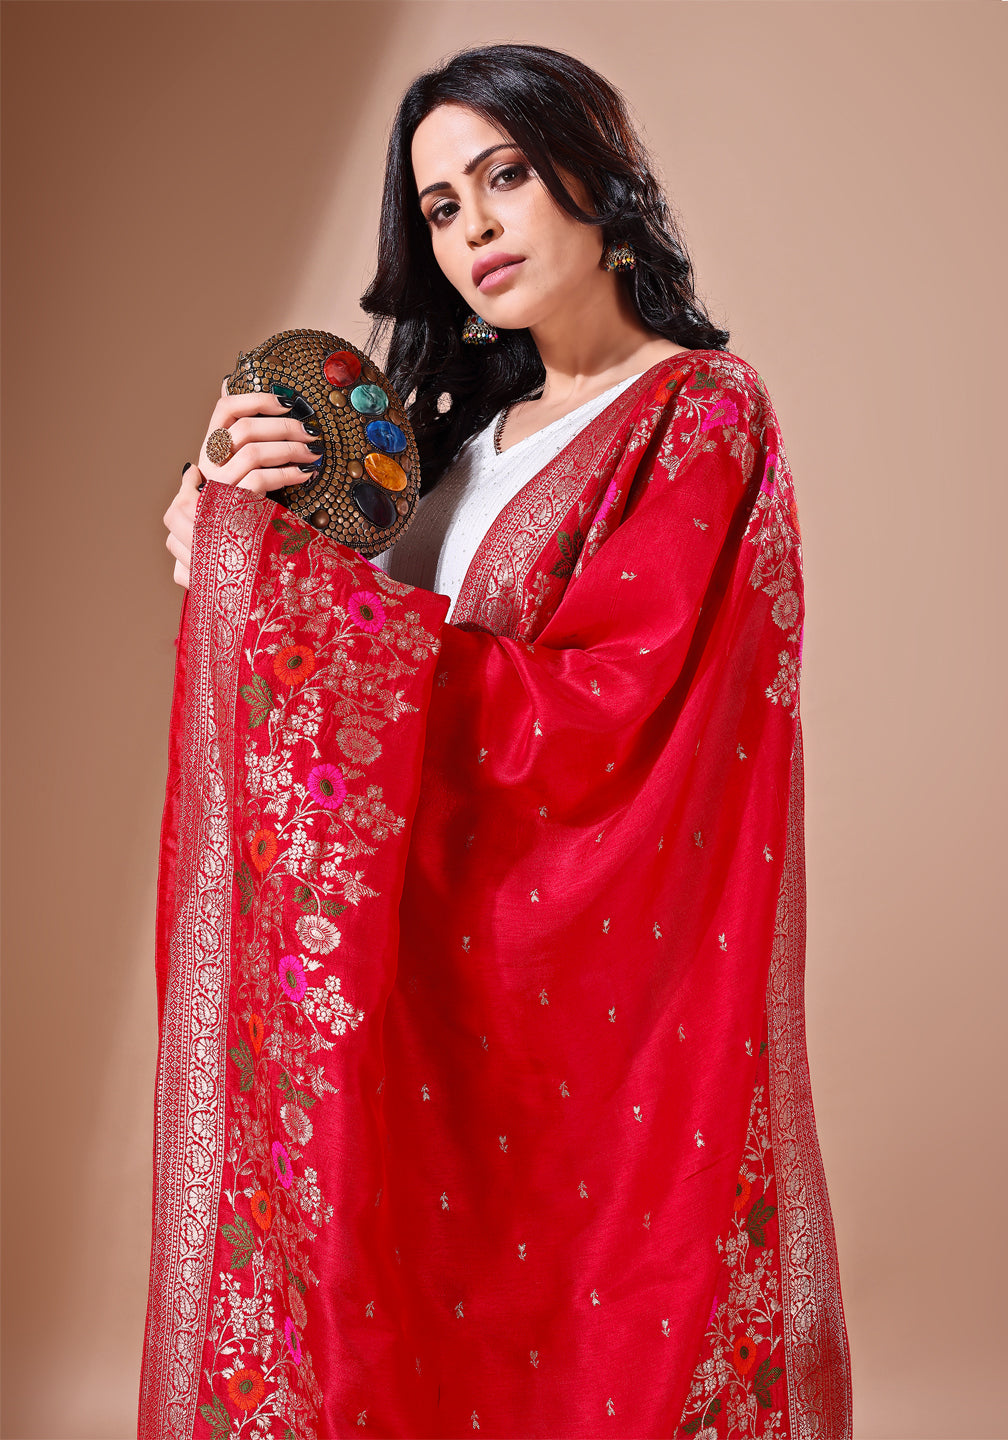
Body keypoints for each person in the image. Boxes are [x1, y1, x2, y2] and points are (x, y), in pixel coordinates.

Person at [147, 44, 851, 1440]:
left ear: (595, 173)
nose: (473, 229)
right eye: (440, 207)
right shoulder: (447, 441)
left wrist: (265, 587)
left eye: (505, 178)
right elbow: (347, 673)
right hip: (404, 986)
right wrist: (224, 523)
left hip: (577, 1002)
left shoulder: (701, 413)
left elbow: (606, 716)